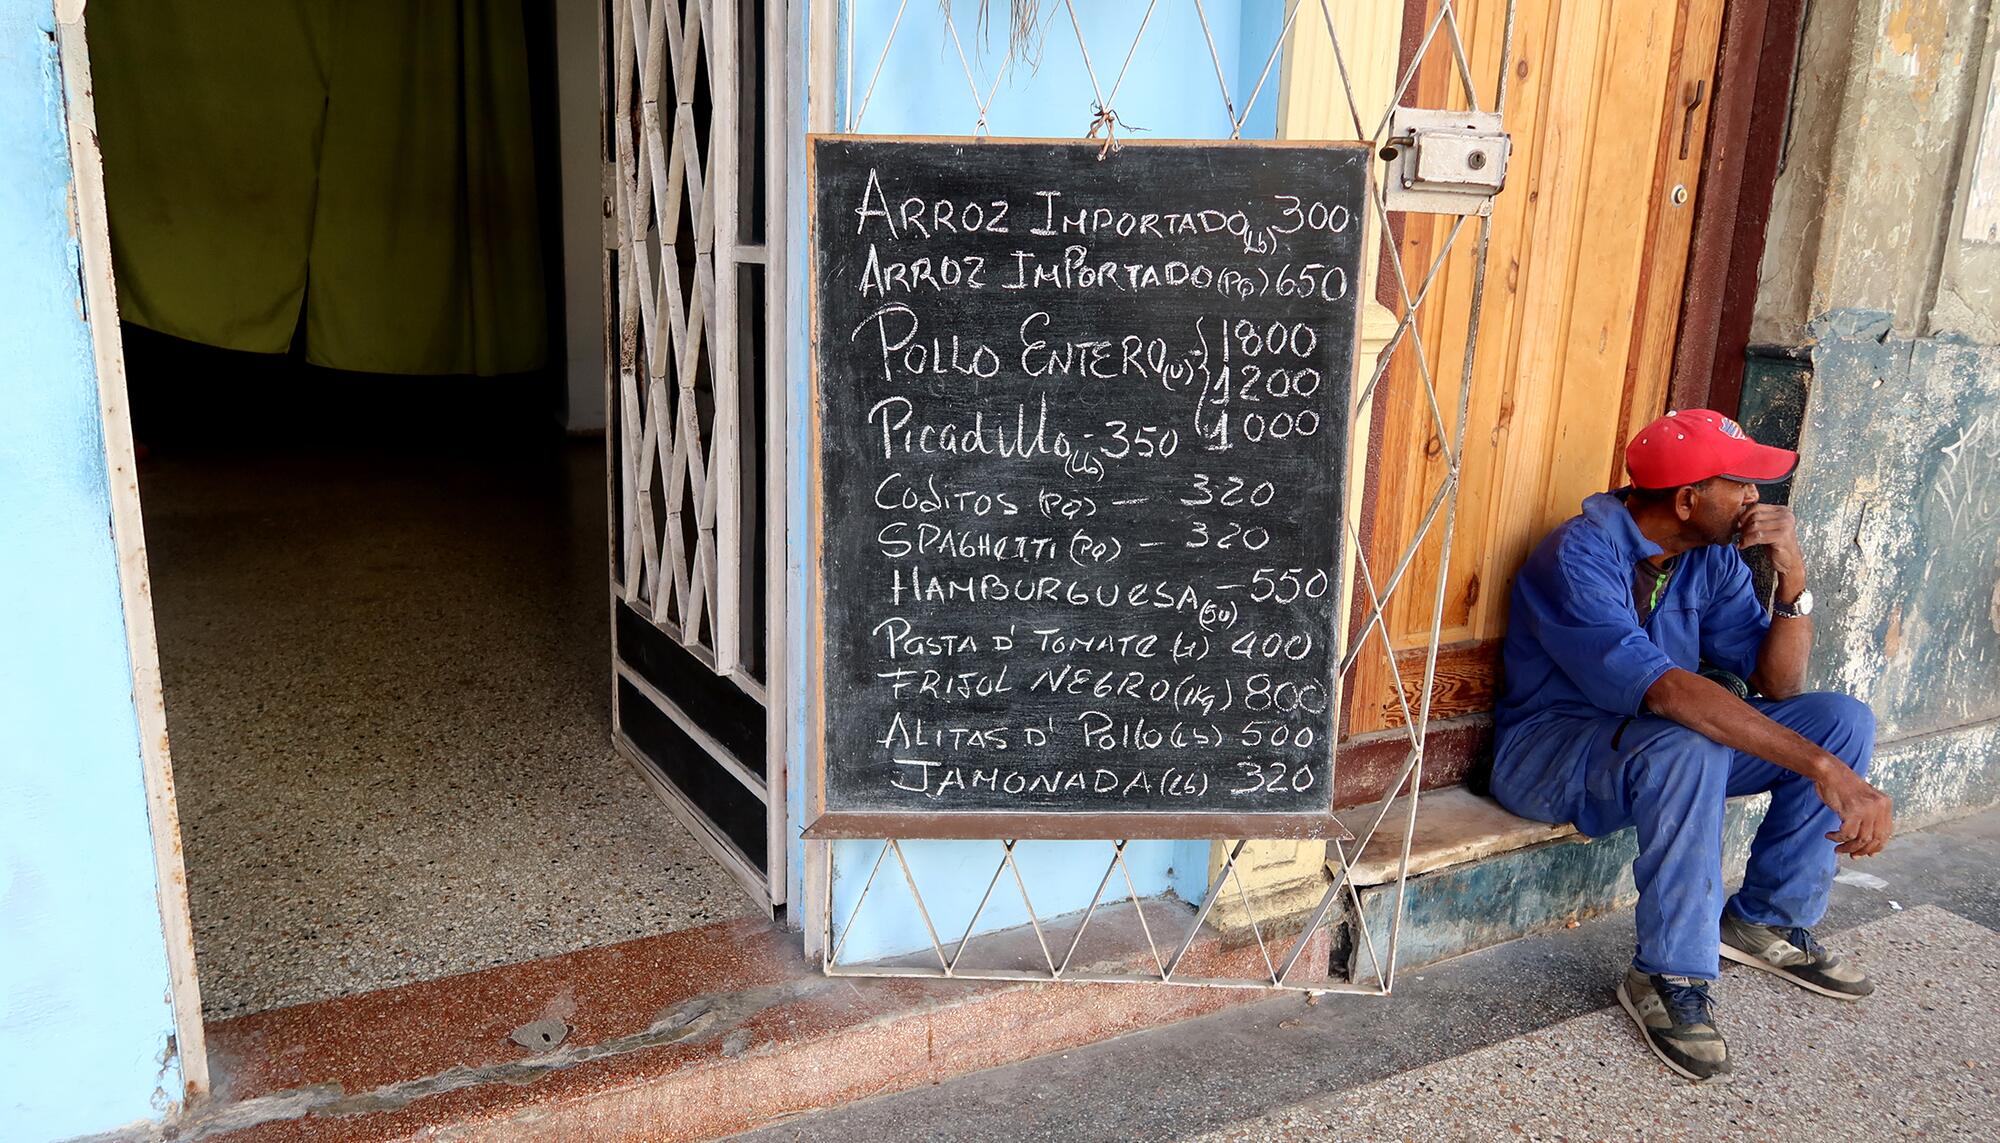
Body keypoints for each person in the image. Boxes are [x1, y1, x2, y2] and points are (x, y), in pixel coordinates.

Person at [1491, 409, 1892, 1083]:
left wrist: (1792, 577)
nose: (1752, 500)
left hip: (1654, 746)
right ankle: (1666, 970)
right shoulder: (1579, 554)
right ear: (1687, 500)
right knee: (1693, 744)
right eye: (1739, 485)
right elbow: (1670, 692)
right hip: (1552, 754)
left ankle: (1766, 920)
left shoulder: (1708, 558)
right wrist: (1821, 769)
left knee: (1840, 720)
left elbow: (1778, 683)